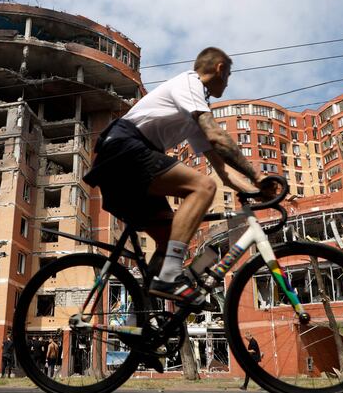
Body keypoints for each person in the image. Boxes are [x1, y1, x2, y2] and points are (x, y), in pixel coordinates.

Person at [84, 47, 273, 307]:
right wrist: (257, 174)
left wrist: (255, 190)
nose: (227, 83)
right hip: (124, 149)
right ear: (220, 69)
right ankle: (171, 276)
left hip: (126, 164)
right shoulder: (188, 83)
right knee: (202, 187)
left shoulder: (194, 112)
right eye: (228, 76)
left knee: (168, 237)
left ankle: (141, 323)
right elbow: (218, 137)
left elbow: (224, 173)